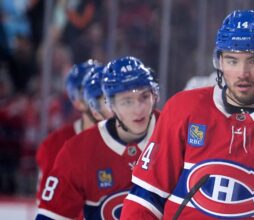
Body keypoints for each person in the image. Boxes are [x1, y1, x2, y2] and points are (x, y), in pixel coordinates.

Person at [121, 9, 254, 219]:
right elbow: (144, 199)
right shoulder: (183, 108)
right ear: (219, 61)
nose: (242, 73)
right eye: (232, 60)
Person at [35, 56, 160, 219]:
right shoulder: (75, 151)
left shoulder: (175, 132)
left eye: (144, 97)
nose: (138, 109)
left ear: (154, 96)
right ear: (110, 105)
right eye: (127, 101)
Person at [35, 59, 99, 203]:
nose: (97, 99)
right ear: (76, 101)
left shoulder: (129, 139)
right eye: (88, 92)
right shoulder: (54, 145)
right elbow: (47, 205)